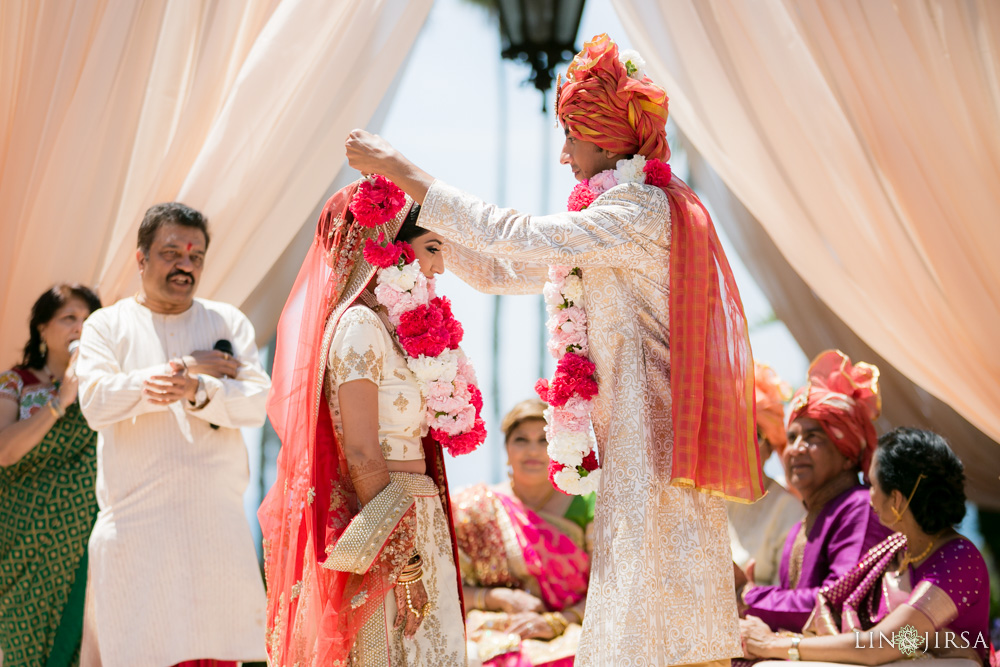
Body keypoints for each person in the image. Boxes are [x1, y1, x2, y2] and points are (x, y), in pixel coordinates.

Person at [346, 33, 764, 667]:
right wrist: (420, 232)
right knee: (634, 630)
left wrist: (407, 171)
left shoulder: (644, 210)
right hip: (627, 454)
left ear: (606, 138)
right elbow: (502, 269)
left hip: (657, 456)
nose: (564, 153)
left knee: (666, 632)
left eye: (573, 134)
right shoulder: (605, 218)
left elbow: (517, 235)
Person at [258, 184, 469, 665]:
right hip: (387, 518)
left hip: (417, 511)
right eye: (431, 248)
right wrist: (402, 559)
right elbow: (360, 452)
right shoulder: (359, 327)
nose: (439, 267)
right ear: (390, 246)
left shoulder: (392, 325)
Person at [75, 202, 270, 666]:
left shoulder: (226, 322)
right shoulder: (107, 325)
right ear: (140, 259)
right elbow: (97, 403)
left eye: (196, 256)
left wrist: (197, 386)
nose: (186, 265)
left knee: (217, 651)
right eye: (171, 253)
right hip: (136, 535)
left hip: (214, 533)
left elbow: (257, 404)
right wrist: (179, 367)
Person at [741, 427, 992, 666]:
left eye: (872, 485)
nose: (867, 495)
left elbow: (882, 646)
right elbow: (835, 609)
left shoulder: (958, 559)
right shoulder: (897, 550)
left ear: (896, 498)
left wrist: (775, 644)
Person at [739, 350, 893, 632]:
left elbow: (836, 604)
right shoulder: (804, 524)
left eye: (812, 437)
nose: (795, 449)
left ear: (848, 455)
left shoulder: (859, 508)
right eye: (793, 437)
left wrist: (748, 595)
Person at [0, 284, 102, 665]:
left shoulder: (104, 389)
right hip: (20, 545)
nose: (81, 328)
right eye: (69, 318)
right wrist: (61, 400)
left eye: (90, 321)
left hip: (81, 546)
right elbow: (5, 452)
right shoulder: (15, 383)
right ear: (42, 328)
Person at [455, 398, 593, 666]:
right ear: (506, 448)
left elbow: (609, 588)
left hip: (576, 623)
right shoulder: (474, 507)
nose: (533, 450)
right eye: (521, 440)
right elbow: (448, 589)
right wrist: (496, 597)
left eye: (543, 440)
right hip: (499, 626)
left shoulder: (587, 502)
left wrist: (556, 622)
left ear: (558, 447)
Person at [728, 363, 804, 586]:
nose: (741, 440)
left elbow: (788, 595)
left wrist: (746, 592)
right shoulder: (697, 495)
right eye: (734, 427)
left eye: (755, 433)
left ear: (770, 448)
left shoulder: (787, 509)